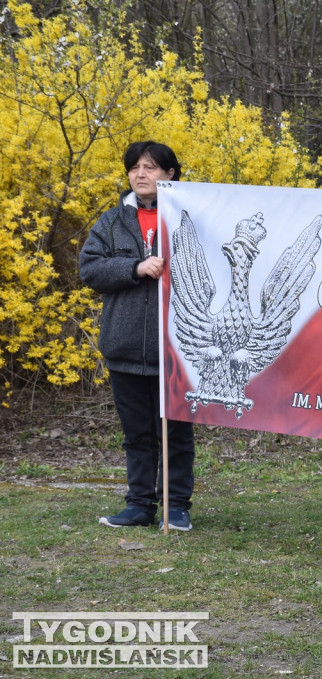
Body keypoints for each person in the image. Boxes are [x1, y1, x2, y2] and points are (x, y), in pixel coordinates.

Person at [79, 141, 195, 532]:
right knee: (138, 435)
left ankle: (176, 505)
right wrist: (135, 266)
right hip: (125, 347)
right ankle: (139, 504)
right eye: (134, 167)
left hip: (178, 349)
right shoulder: (112, 222)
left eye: (150, 167)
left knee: (175, 432)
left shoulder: (191, 218)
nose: (140, 174)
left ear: (170, 174)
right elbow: (90, 270)